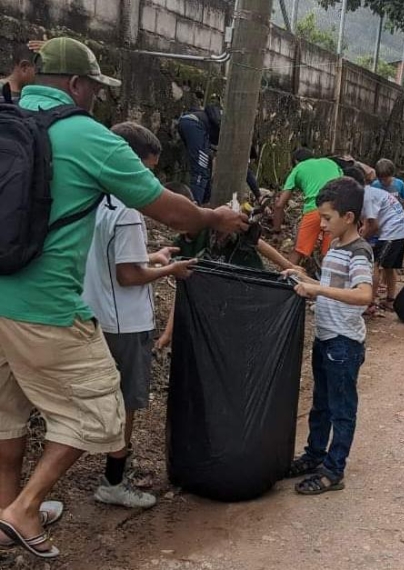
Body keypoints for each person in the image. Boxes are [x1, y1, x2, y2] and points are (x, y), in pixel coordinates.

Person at [0, 37, 247, 560]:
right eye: (95, 87)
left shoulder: (7, 119)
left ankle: (8, 511)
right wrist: (215, 218)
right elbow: (176, 213)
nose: (96, 98)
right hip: (44, 308)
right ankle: (25, 508)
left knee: (7, 414)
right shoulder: (88, 137)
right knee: (103, 413)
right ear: (76, 85)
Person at [82, 123, 198, 509]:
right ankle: (114, 480)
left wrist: (153, 256)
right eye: (146, 169)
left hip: (94, 313)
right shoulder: (130, 211)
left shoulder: (91, 198)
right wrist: (171, 271)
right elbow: (128, 275)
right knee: (126, 402)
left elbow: (114, 258)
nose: (148, 179)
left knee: (97, 399)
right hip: (126, 322)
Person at [282, 177, 373, 495]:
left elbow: (363, 295)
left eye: (326, 218)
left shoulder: (359, 253)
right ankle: (314, 455)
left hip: (343, 344)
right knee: (320, 403)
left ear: (348, 217)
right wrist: (302, 276)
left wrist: (317, 288)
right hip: (325, 338)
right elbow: (331, 286)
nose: (321, 224)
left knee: (341, 408)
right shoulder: (335, 247)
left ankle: (334, 470)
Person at [155, 181, 302, 349]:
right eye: (170, 216)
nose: (177, 220)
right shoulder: (179, 247)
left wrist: (287, 264)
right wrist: (167, 334)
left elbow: (258, 243)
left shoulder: (217, 224)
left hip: (252, 291)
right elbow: (183, 290)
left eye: (181, 213)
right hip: (224, 305)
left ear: (194, 207)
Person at [345, 165, 404, 312]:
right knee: (389, 266)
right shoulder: (371, 192)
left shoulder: (366, 196)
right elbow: (370, 221)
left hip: (392, 232)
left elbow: (373, 226)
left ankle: (369, 301)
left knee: (375, 265)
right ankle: (390, 299)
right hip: (401, 228)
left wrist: (359, 240)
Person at [272, 148, 343, 265]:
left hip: (315, 209)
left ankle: (284, 280)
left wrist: (276, 230)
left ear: (296, 161)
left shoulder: (298, 168)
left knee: (299, 251)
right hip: (337, 211)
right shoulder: (331, 163)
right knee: (330, 255)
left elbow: (280, 205)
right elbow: (344, 184)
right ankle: (324, 281)